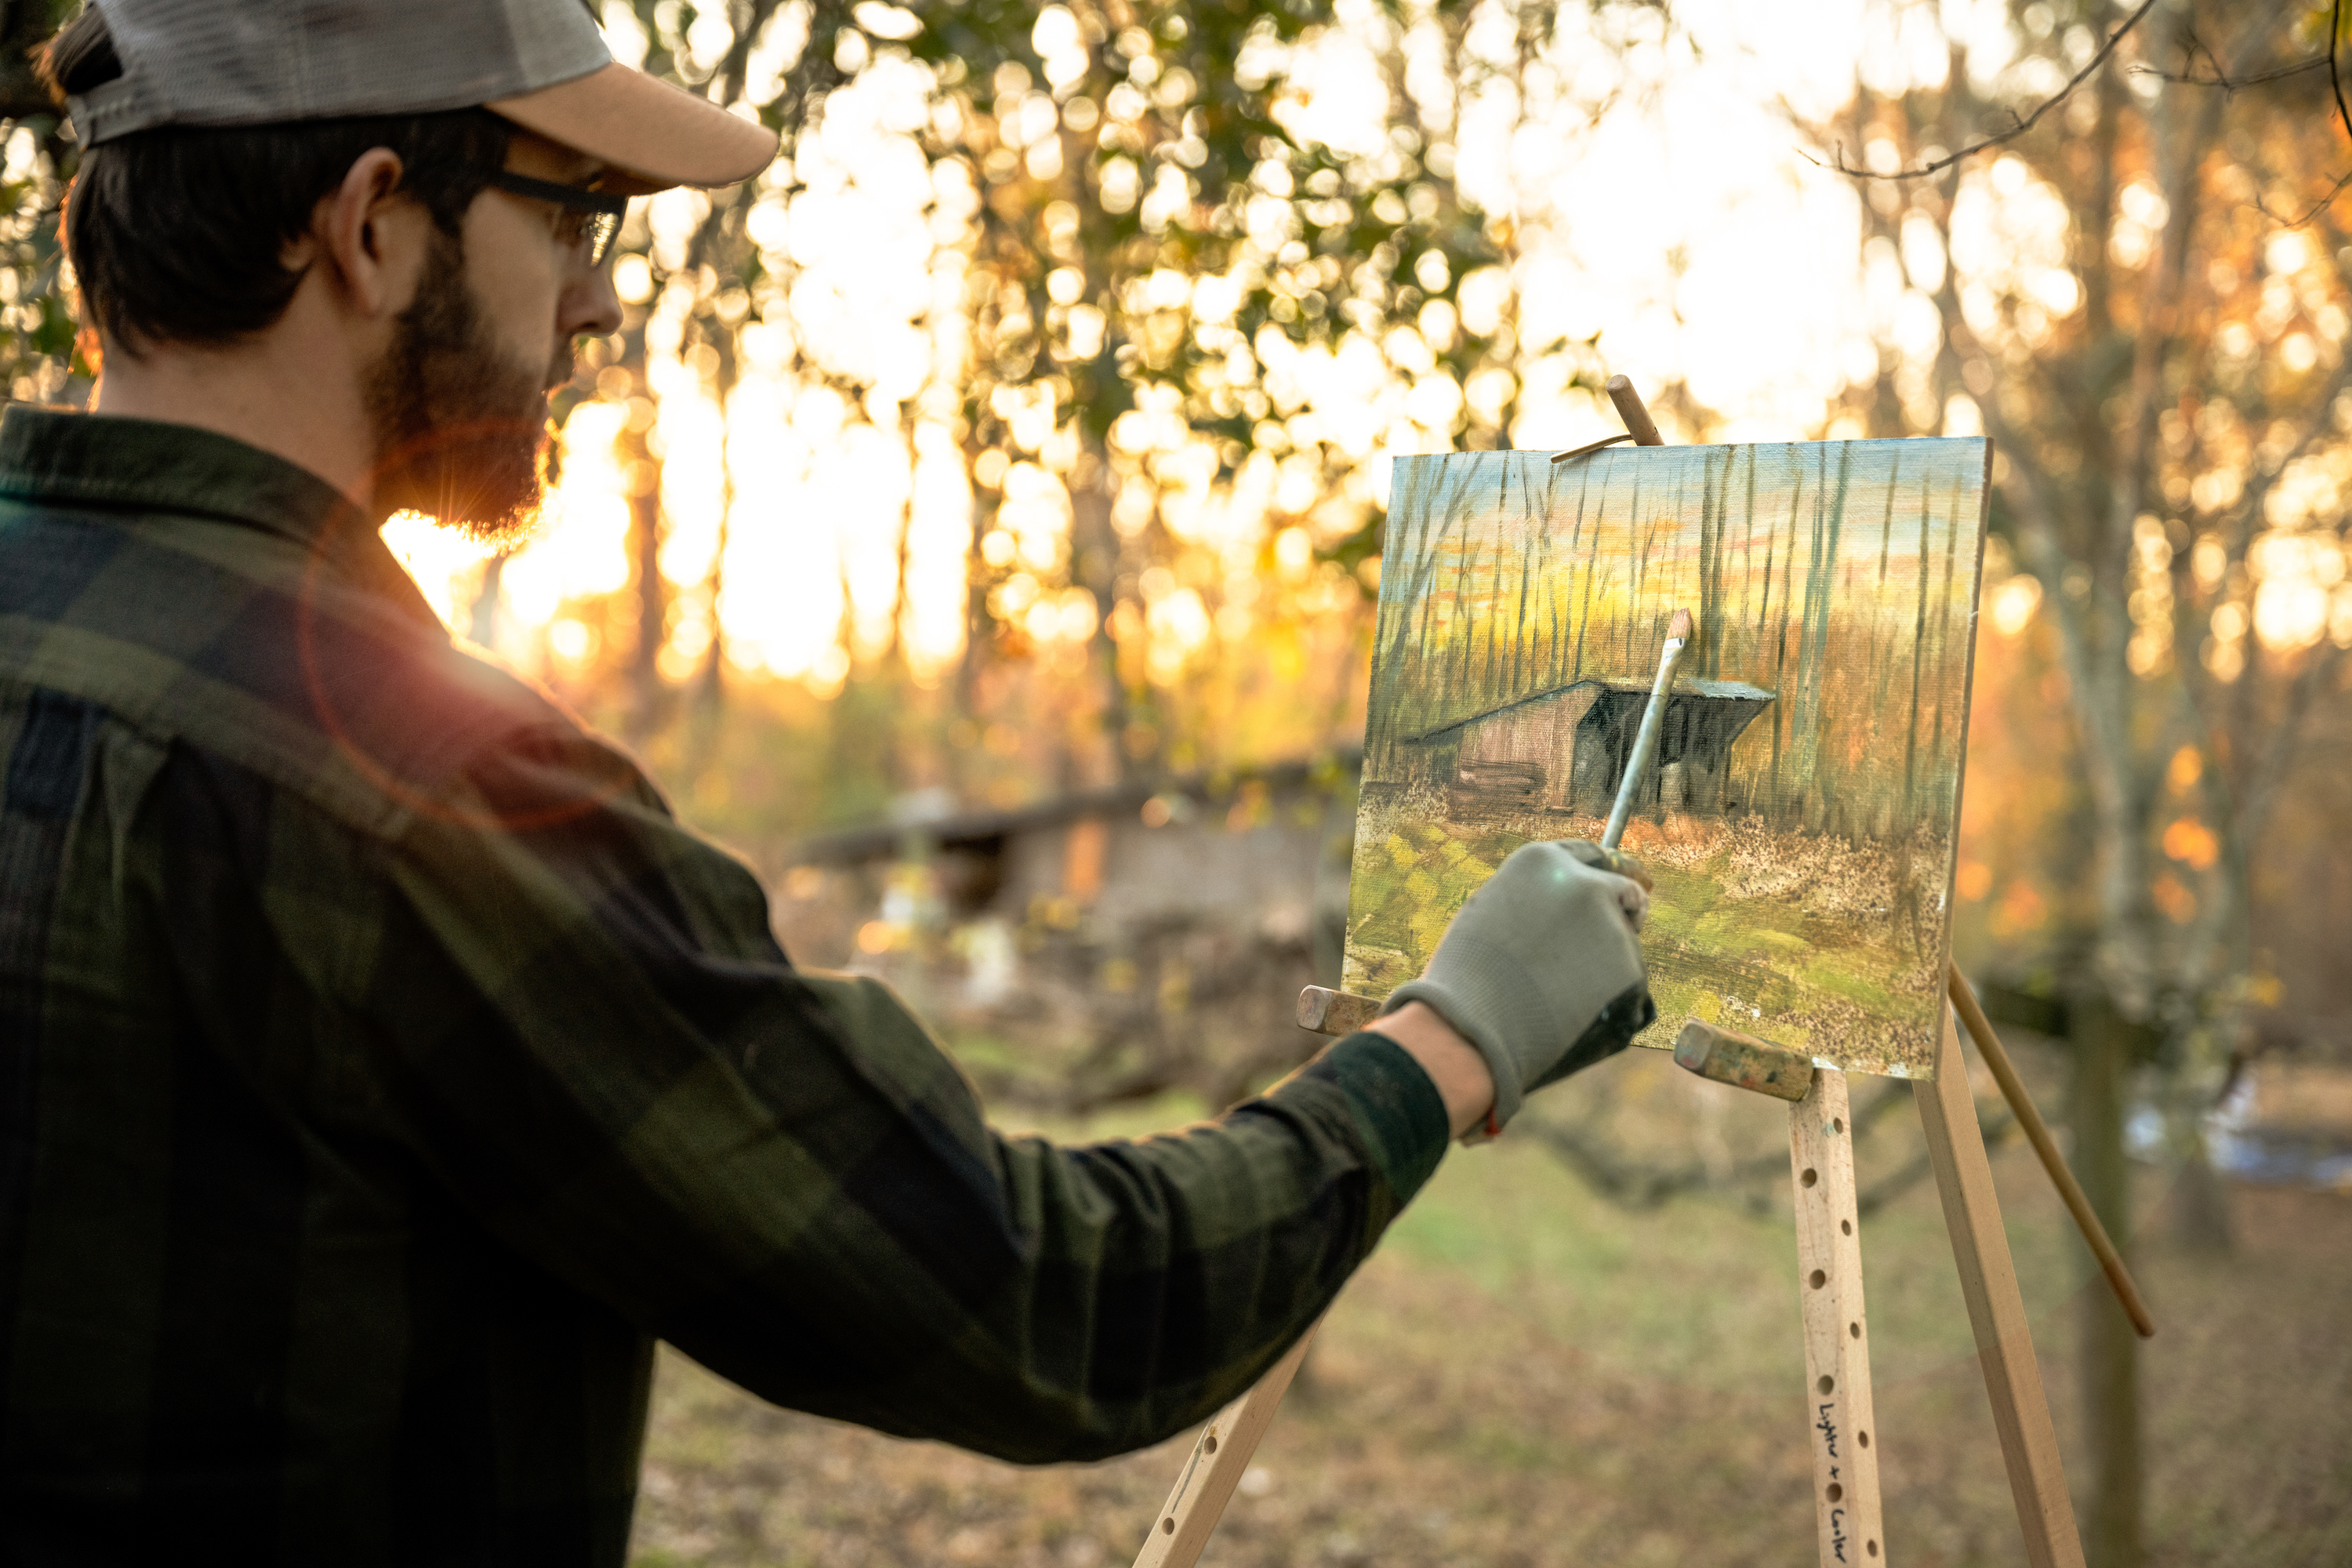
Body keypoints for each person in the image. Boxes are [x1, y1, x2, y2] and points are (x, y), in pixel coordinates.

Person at [0, 2, 1657, 1562]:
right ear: (369, 223)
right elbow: (1037, 1305)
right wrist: (1453, 1042)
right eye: (577, 217)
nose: (599, 302)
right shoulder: (436, 796)